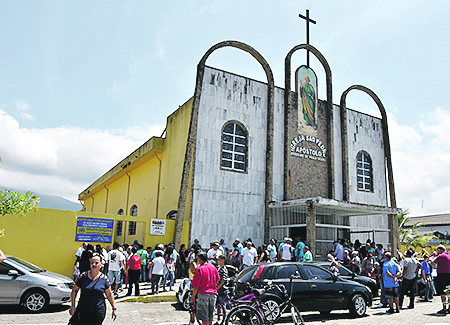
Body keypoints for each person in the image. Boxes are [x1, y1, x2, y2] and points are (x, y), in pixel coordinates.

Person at [69, 253, 117, 324]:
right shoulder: (83, 276)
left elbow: (109, 294)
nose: (94, 265)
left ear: (101, 264)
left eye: (96, 263)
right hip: (82, 309)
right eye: (92, 263)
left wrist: (114, 308)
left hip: (98, 310)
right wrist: (73, 306)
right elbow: (74, 290)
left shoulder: (105, 279)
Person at [191, 252, 219, 325]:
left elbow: (196, 286)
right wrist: (213, 286)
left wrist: (193, 297)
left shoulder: (199, 269)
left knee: (204, 318)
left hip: (203, 294)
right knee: (210, 317)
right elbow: (218, 278)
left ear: (200, 259)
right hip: (213, 294)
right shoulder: (213, 267)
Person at [431, 244, 450, 314]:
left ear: (439, 250)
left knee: (442, 292)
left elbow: (432, 263)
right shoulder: (449, 255)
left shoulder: (441, 256)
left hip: (442, 275)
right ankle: (449, 308)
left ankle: (444, 308)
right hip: (449, 274)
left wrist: (433, 257)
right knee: (448, 291)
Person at [216, 255, 229, 323]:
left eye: (219, 260)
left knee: (223, 305)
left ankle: (224, 319)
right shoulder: (219, 268)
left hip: (222, 290)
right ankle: (219, 319)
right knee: (219, 306)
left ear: (222, 261)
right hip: (219, 290)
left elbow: (223, 281)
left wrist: (217, 288)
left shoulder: (224, 269)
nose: (217, 261)